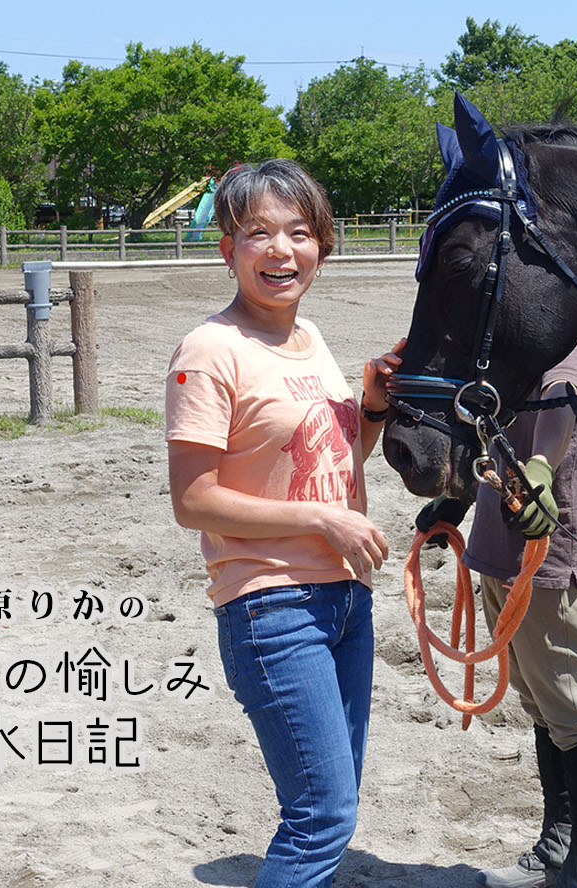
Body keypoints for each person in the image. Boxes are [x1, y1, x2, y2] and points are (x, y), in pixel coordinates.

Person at [165, 158, 403, 888]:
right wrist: (321, 521)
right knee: (321, 816)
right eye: (257, 233)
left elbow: (330, 460)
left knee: (331, 805)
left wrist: (367, 408)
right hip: (272, 607)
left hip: (345, 599)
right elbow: (192, 501)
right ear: (226, 248)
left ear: (322, 247)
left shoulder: (312, 340)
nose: (281, 250)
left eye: (299, 233)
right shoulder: (211, 351)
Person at [419, 325, 577, 888]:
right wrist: (461, 496)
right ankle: (559, 853)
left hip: (556, 545)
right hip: (503, 543)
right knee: (544, 707)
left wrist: (539, 470)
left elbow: (563, 395)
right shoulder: (520, 311)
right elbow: (498, 419)